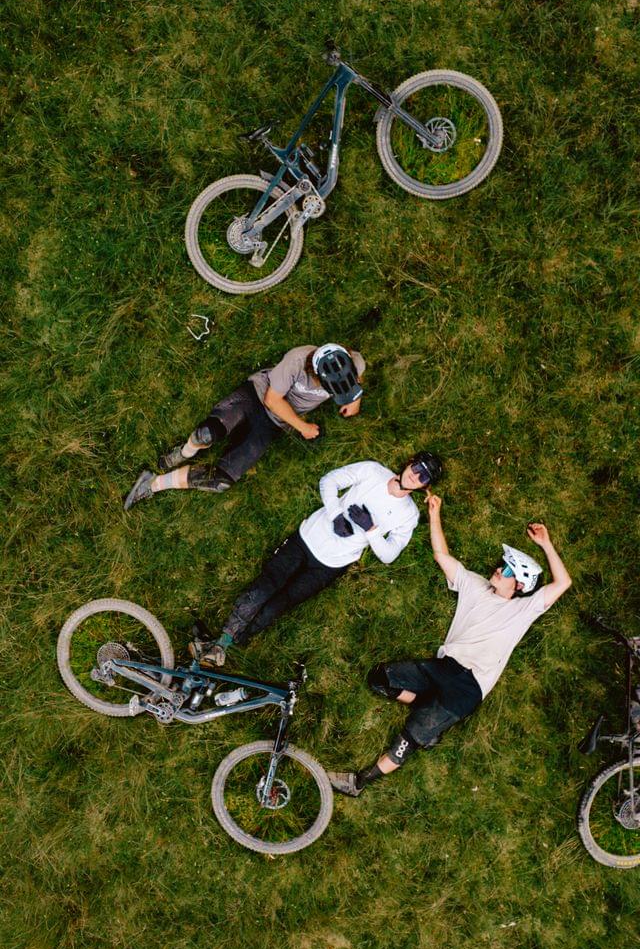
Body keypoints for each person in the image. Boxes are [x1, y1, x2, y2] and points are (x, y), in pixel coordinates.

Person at [328, 496, 572, 797]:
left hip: (467, 687)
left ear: (520, 585)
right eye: (502, 565)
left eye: (508, 571)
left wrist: (546, 545)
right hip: (444, 667)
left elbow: (563, 583)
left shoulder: (523, 610)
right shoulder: (475, 585)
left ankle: (358, 783)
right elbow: (441, 555)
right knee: (380, 678)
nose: (499, 570)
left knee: (408, 739)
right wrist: (434, 513)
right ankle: (425, 706)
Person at [201, 451, 444, 666]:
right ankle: (224, 637)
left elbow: (389, 555)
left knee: (281, 603)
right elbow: (329, 480)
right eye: (416, 468)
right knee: (265, 586)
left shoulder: (408, 515)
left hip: (331, 565)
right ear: (409, 462)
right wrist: (336, 515)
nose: (415, 476)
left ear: (425, 486)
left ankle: (231, 644)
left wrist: (370, 529)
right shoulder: (373, 471)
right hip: (306, 538)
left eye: (423, 477)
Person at [123, 342, 366, 510]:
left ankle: (152, 484)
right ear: (314, 372)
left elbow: (358, 377)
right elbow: (272, 400)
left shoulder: (355, 363)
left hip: (272, 425)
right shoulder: (297, 360)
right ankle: (183, 453)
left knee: (221, 481)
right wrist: (302, 427)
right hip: (256, 397)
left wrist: (354, 398)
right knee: (206, 434)